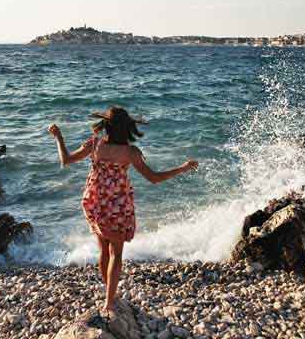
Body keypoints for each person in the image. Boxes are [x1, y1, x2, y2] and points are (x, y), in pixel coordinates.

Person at [48, 106, 198, 313]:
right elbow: (154, 178)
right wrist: (182, 168)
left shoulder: (94, 144)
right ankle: (109, 302)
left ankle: (110, 293)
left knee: (104, 250)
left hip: (95, 202)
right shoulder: (131, 152)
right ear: (127, 128)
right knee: (116, 255)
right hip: (118, 206)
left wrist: (58, 137)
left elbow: (66, 160)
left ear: (106, 126)